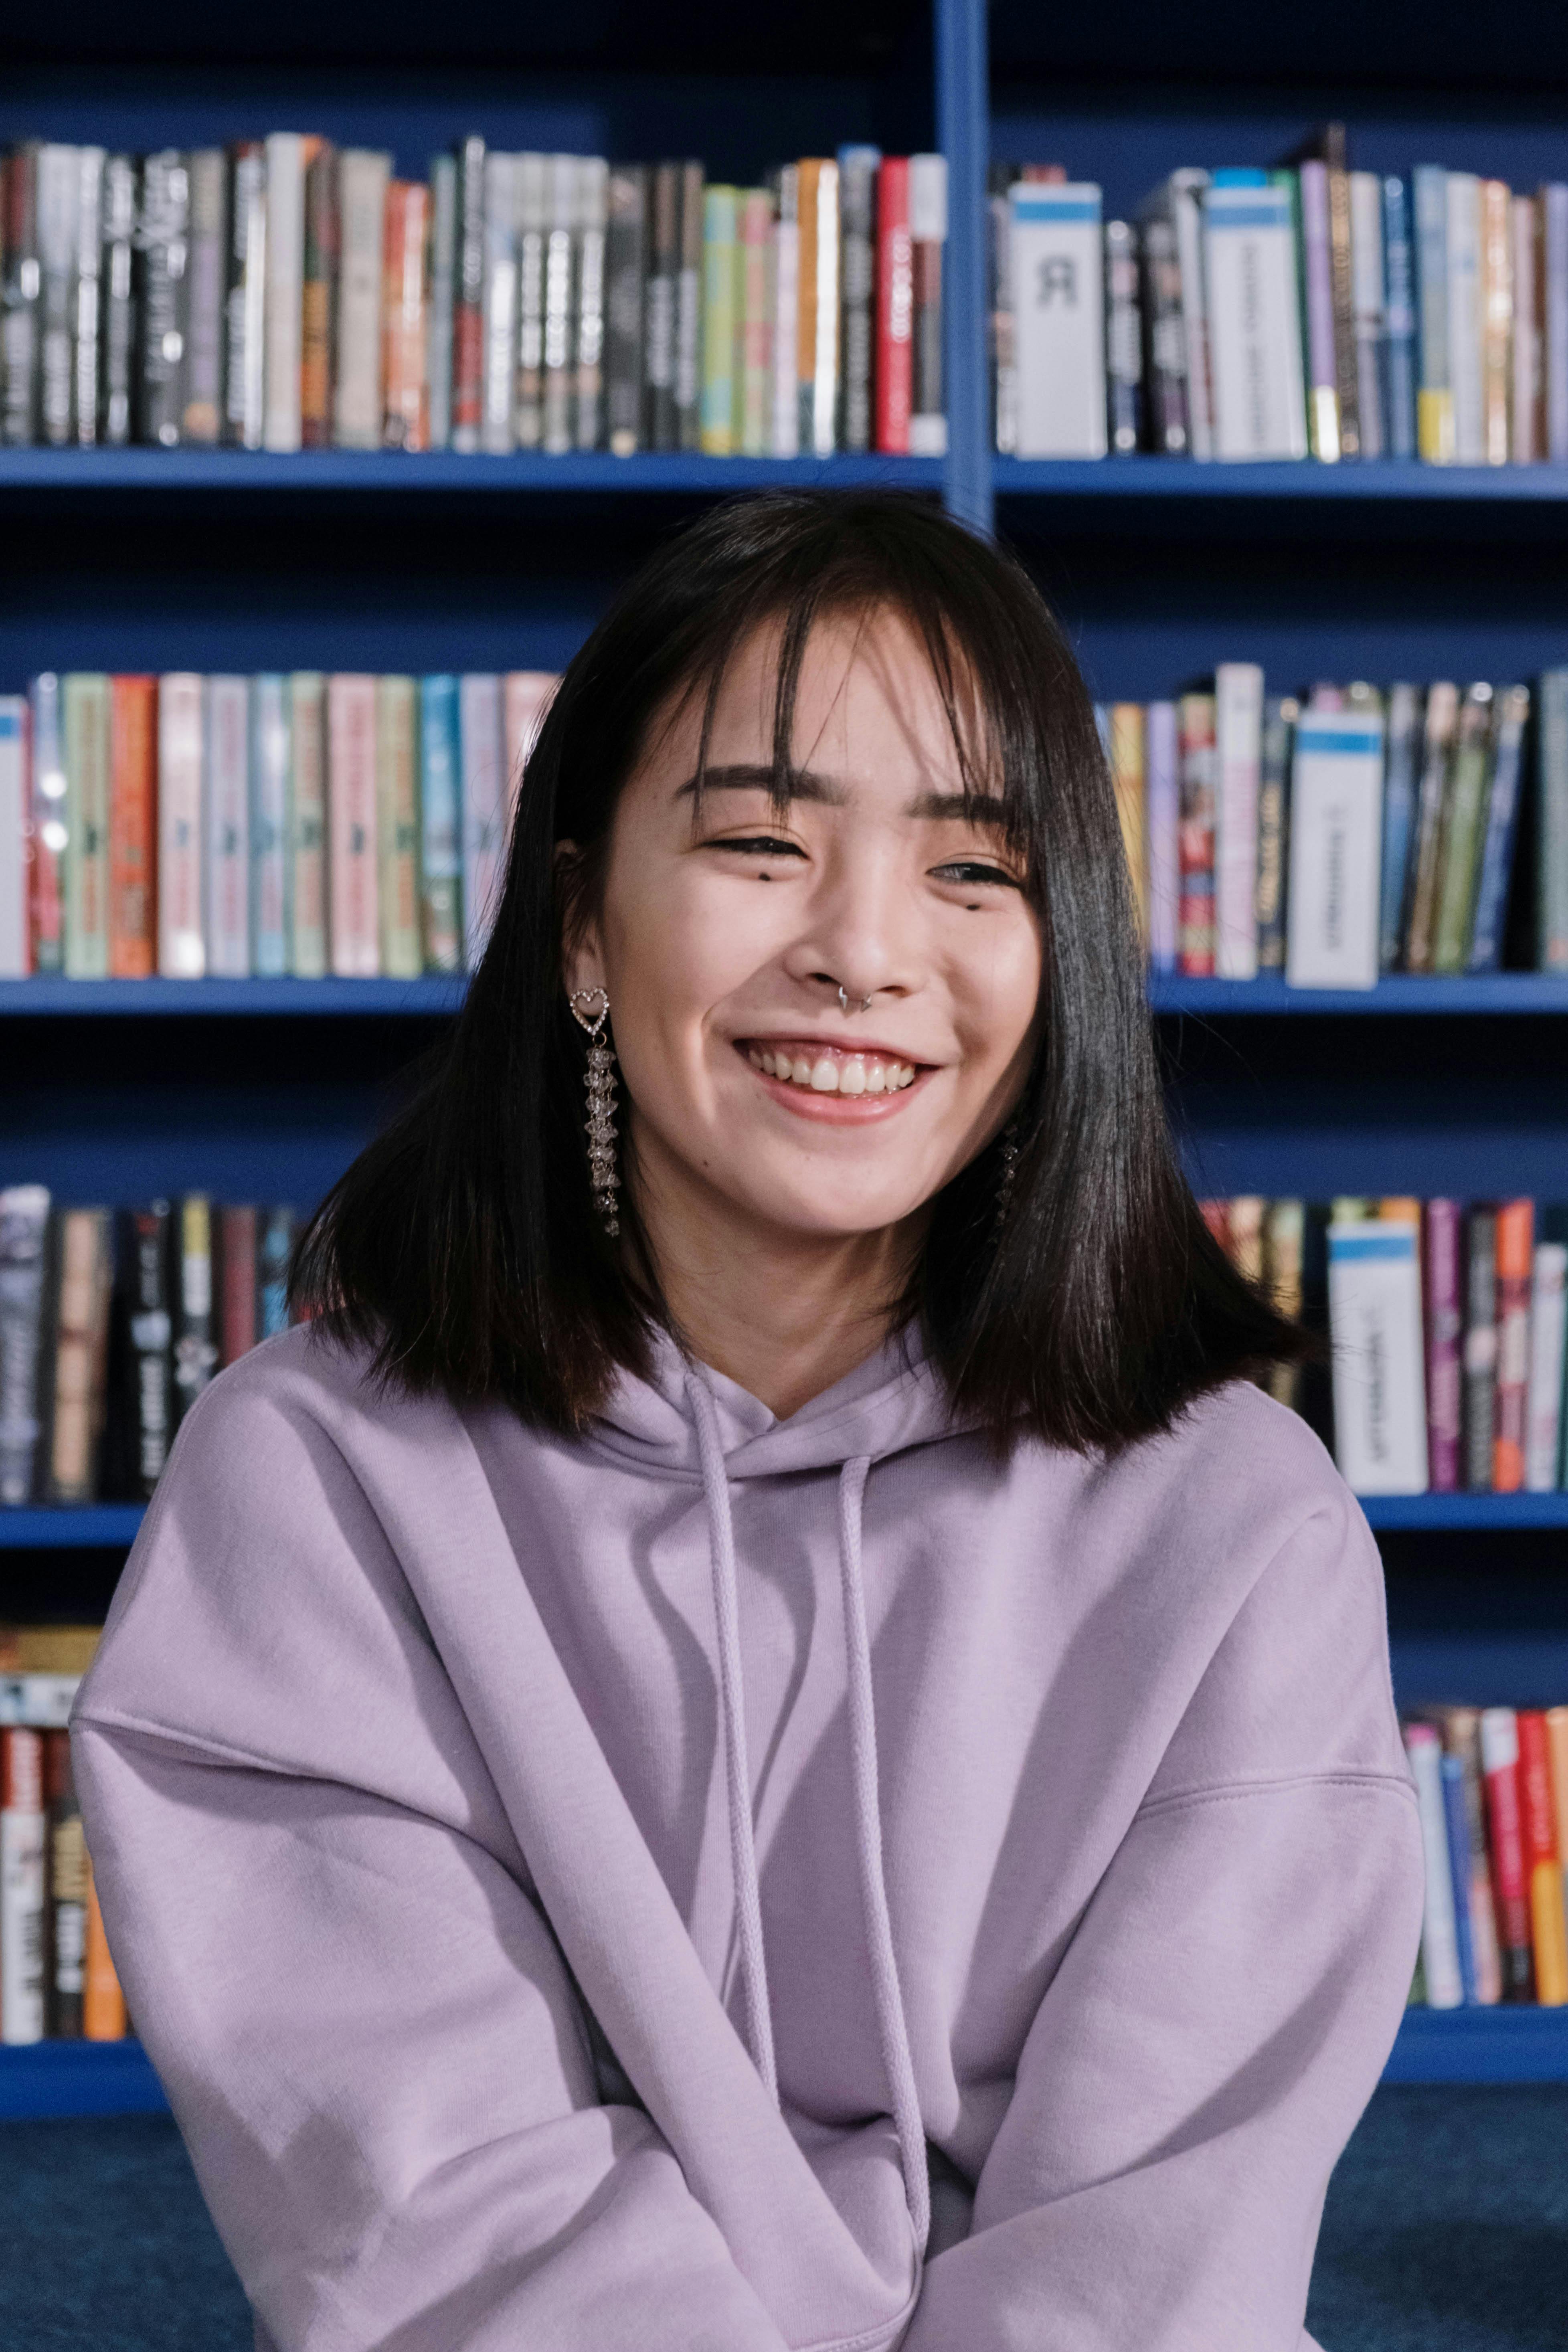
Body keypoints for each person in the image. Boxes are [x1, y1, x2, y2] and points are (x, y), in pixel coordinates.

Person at [72, 491, 1422, 2352]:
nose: (865, 952)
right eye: (764, 841)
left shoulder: (1241, 1528)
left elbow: (1157, 2265)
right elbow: (443, 2222)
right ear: (579, 931)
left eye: (974, 871)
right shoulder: (314, 1486)